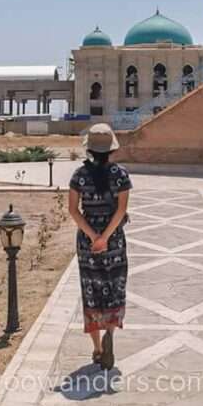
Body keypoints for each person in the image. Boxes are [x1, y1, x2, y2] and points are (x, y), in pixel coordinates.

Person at [68, 123, 132, 370]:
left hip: (87, 242)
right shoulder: (121, 175)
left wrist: (93, 236)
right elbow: (121, 210)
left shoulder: (79, 175)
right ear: (111, 149)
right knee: (114, 287)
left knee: (91, 290)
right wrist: (105, 237)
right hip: (114, 241)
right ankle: (111, 334)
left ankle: (97, 348)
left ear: (90, 150)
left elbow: (73, 210)